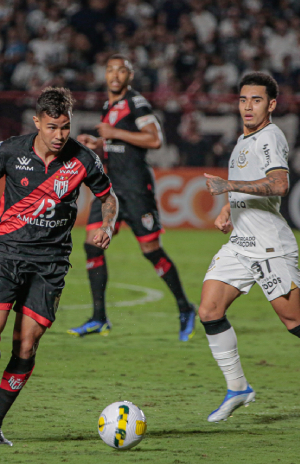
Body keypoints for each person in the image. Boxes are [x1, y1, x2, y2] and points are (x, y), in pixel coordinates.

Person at [200, 72, 300, 426]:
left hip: (270, 247)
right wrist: (229, 208)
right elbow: (246, 187)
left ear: (271, 104)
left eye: (256, 100)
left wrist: (228, 185)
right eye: (243, 99)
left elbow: (279, 183)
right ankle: (237, 387)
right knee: (210, 310)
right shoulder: (244, 140)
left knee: (297, 320)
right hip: (240, 244)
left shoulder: (270, 136)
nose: (247, 106)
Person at [0, 87, 118, 445]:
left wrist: (107, 225)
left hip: (51, 264)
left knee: (27, 347)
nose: (60, 135)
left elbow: (109, 198)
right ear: (37, 123)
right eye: (52, 127)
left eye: (65, 127)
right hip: (7, 253)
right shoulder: (11, 149)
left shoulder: (84, 159)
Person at [69, 54, 196, 341]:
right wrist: (100, 143)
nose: (114, 75)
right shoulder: (108, 105)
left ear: (130, 76)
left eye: (121, 70)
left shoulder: (137, 103)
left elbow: (154, 139)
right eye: (110, 70)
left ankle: (185, 307)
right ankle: (99, 317)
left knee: (152, 252)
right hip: (110, 190)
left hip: (136, 190)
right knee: (92, 246)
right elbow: (119, 142)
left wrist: (112, 132)